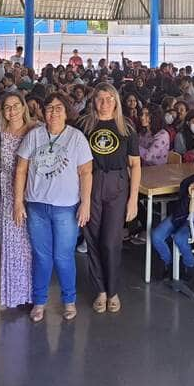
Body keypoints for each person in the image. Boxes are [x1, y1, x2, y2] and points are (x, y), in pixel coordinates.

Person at [14, 93, 93, 322]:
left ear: (66, 112)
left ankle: (69, 300)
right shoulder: (34, 136)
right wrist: (19, 202)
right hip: (36, 206)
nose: (53, 112)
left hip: (66, 208)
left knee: (63, 256)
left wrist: (85, 203)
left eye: (58, 108)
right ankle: (39, 301)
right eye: (49, 108)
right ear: (42, 112)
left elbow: (86, 172)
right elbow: (21, 170)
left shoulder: (76, 138)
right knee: (41, 257)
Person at [79, 83, 141, 314]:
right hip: (90, 184)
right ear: (93, 101)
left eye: (109, 98)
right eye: (100, 98)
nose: (104, 103)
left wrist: (133, 198)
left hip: (117, 184)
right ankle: (100, 291)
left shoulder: (126, 127)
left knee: (111, 241)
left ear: (116, 101)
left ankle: (112, 289)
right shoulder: (84, 125)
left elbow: (135, 164)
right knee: (92, 238)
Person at [0, 92, 36, 309]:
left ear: (23, 107)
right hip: (5, 191)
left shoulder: (34, 131)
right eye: (7, 107)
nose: (12, 111)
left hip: (28, 192)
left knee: (28, 244)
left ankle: (31, 292)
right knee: (10, 242)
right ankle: (14, 293)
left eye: (15, 106)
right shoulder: (0, 132)